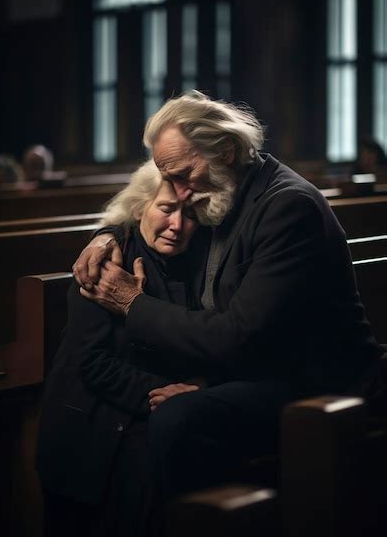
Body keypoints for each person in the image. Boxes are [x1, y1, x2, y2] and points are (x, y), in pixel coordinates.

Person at [73, 90, 383, 498]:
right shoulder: (216, 191)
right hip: (258, 367)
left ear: (227, 150)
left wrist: (132, 303)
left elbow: (240, 336)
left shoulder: (288, 207)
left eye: (181, 175)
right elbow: (141, 203)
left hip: (315, 382)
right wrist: (108, 234)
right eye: (168, 177)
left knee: (176, 420)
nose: (177, 191)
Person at [37, 159, 203, 537]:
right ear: (140, 206)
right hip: (94, 427)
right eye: (166, 208)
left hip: (151, 418)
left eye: (190, 214)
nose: (178, 225)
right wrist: (172, 395)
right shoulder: (106, 261)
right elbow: (91, 362)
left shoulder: (196, 258)